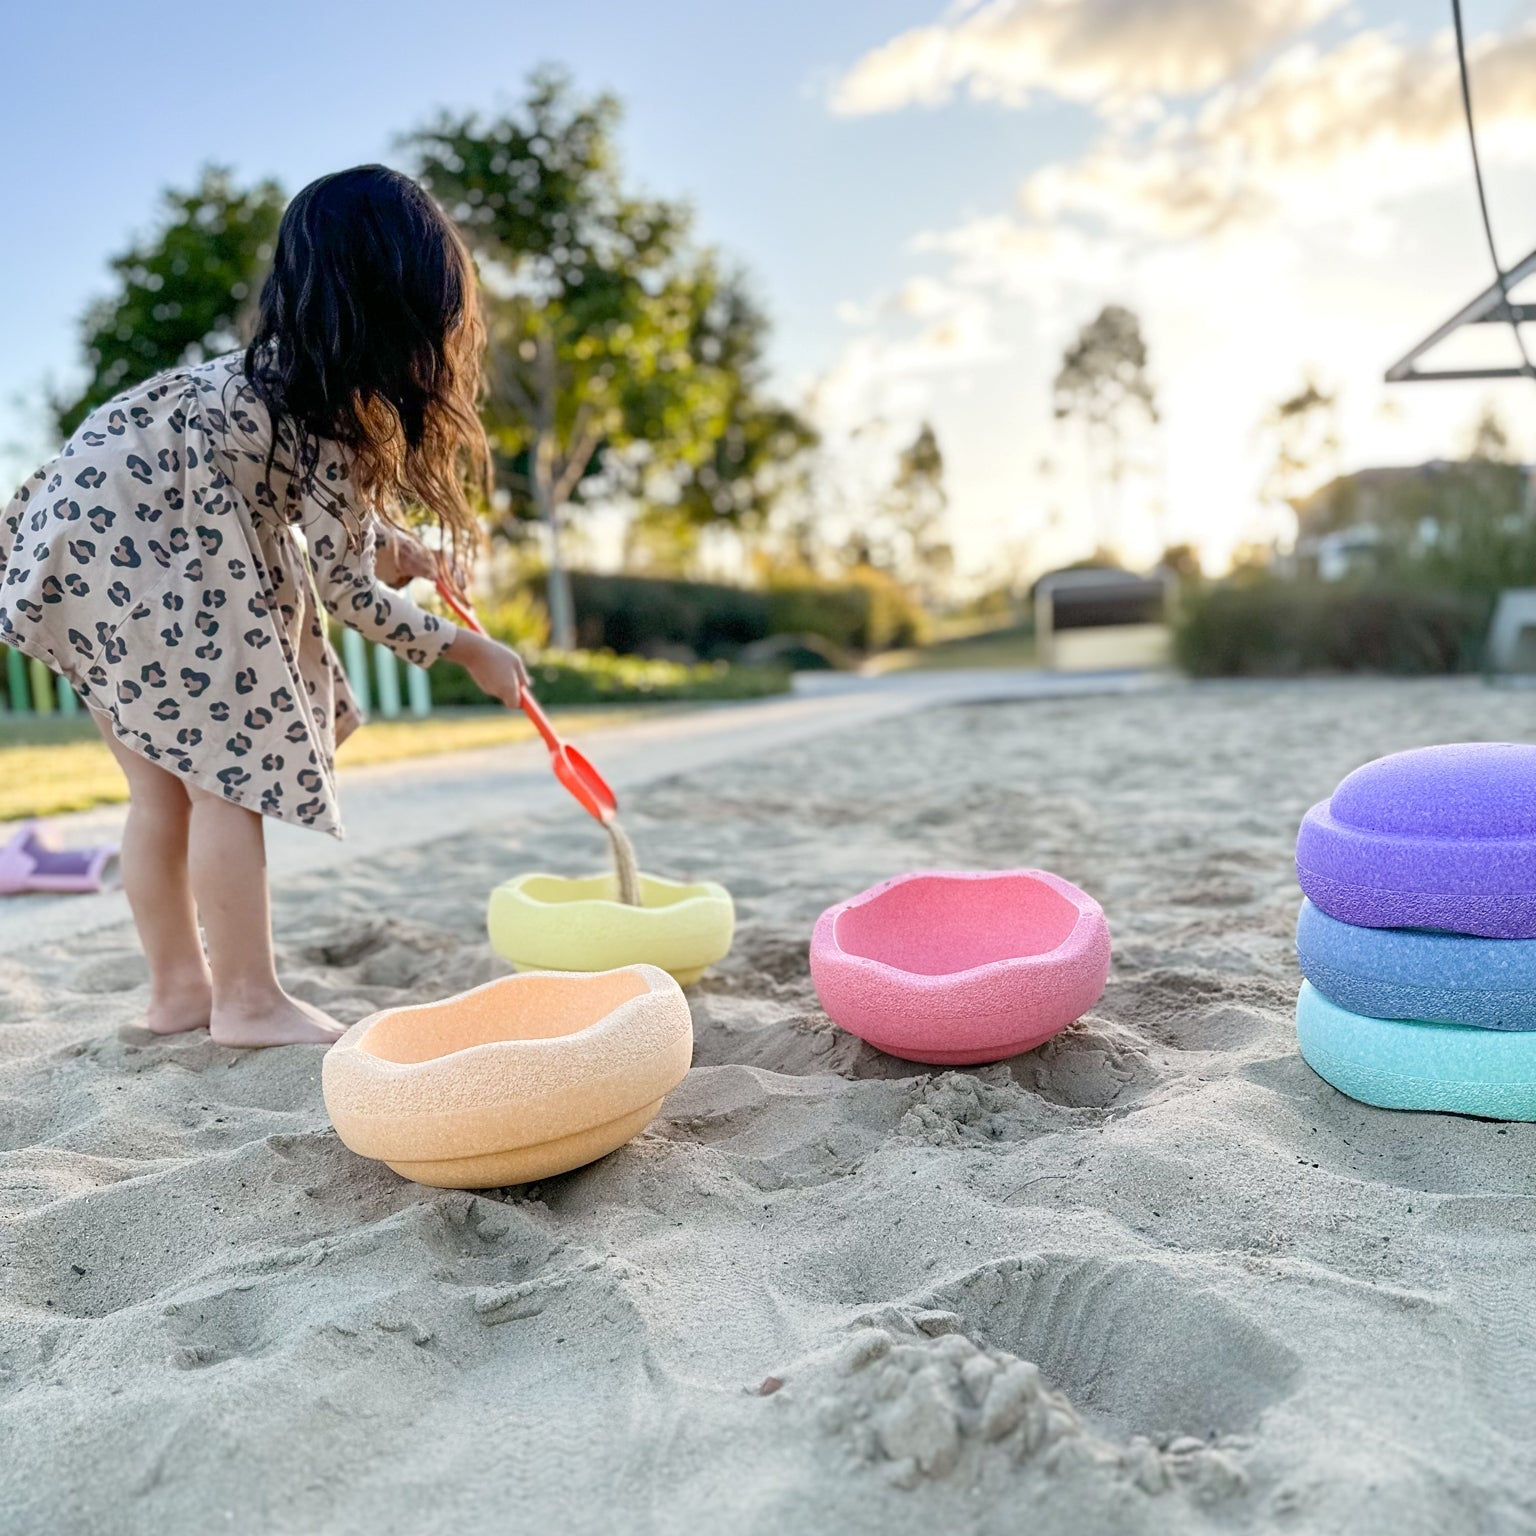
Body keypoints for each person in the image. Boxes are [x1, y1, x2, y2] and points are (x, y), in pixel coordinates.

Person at [0, 166, 528, 1046]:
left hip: (75, 551)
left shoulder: (260, 382)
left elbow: (337, 537)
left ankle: (179, 994)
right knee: (225, 785)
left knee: (157, 798)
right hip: (151, 559)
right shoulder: (323, 414)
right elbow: (352, 594)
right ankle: (246, 1001)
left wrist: (410, 554)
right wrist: (469, 651)